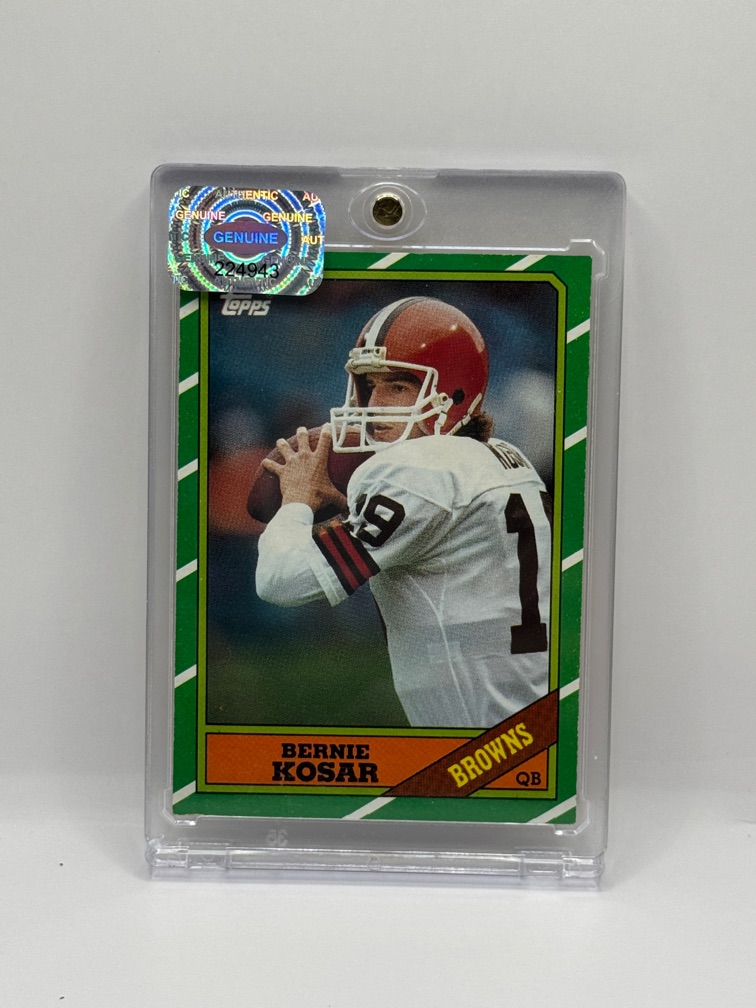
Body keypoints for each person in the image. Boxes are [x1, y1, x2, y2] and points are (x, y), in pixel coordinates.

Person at [255, 297, 552, 729]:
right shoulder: (505, 456)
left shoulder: (416, 471)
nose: (374, 403)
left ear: (452, 393)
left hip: (482, 737)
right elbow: (442, 545)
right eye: (368, 385)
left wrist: (296, 500)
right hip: (529, 714)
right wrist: (355, 512)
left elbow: (280, 580)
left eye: (397, 387)